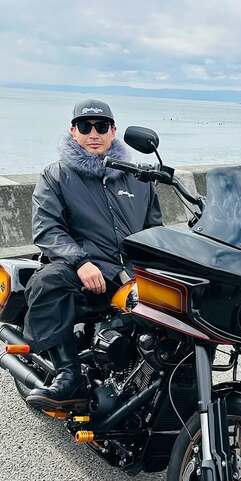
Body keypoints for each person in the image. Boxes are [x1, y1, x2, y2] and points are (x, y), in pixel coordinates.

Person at [22, 99, 162, 410]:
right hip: (83, 268)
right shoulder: (56, 175)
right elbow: (47, 229)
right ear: (74, 131)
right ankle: (68, 375)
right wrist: (80, 262)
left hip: (130, 272)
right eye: (85, 127)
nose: (93, 133)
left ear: (113, 131)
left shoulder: (138, 179)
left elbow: (154, 231)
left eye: (101, 126)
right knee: (47, 282)